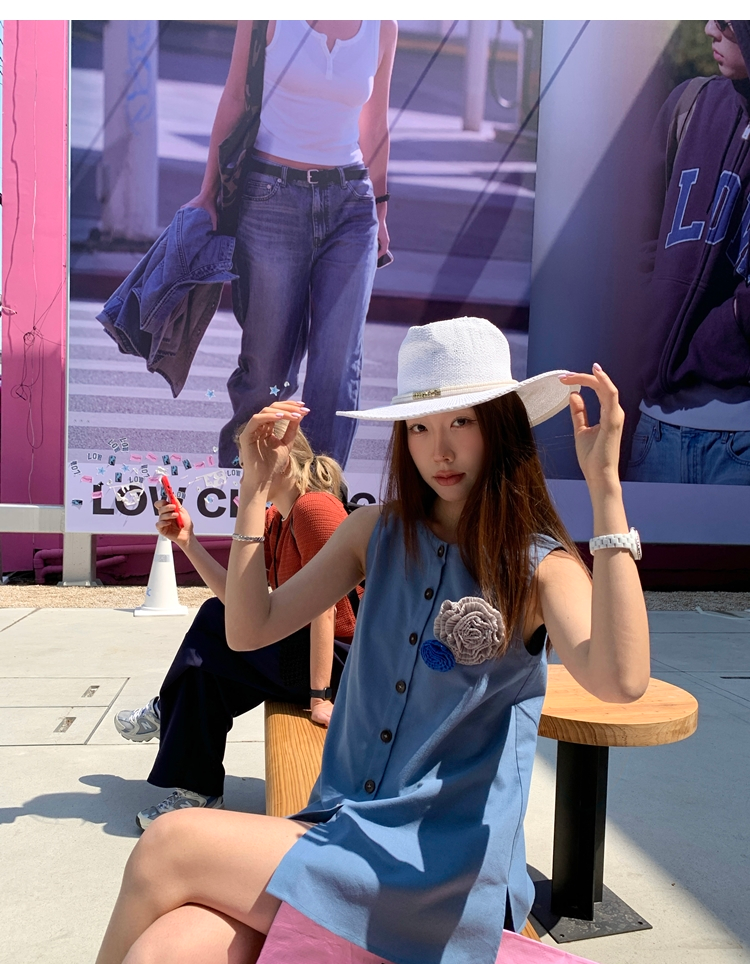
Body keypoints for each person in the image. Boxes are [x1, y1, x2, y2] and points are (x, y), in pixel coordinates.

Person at [95, 317, 650, 964]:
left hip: (439, 869)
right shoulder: (373, 532)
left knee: (167, 846)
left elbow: (620, 680)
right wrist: (252, 491)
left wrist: (606, 491)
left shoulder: (537, 565)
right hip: (339, 830)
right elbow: (249, 628)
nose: (440, 450)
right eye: (419, 427)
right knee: (165, 947)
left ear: (502, 426)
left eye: (462, 421)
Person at [114, 408, 358, 831]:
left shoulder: (314, 508)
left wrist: (319, 697)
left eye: (249, 461)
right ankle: (198, 790)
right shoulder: (275, 519)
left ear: (282, 457)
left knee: (213, 624)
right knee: (207, 664)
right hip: (303, 652)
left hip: (342, 665)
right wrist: (188, 542)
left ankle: (166, 714)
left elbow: (327, 607)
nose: (244, 473)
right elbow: (241, 606)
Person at [185, 20, 397, 469]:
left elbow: (375, 123)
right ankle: (246, 486)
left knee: (338, 364)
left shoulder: (383, 26)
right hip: (271, 198)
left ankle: (321, 496)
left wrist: (380, 211)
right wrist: (208, 192)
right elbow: (235, 97)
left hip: (351, 206)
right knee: (267, 368)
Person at [626, 20, 750, 484]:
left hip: (741, 441)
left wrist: (728, 325)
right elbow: (638, 241)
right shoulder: (690, 106)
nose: (710, 28)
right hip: (656, 431)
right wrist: (651, 320)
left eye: (729, 19)